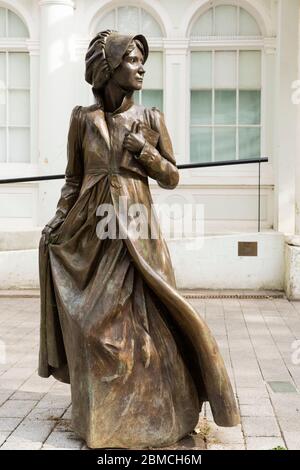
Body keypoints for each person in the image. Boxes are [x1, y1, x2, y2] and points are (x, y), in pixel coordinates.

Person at [38, 30, 239, 449]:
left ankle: (165, 412)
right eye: (132, 59)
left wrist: (143, 152)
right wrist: (59, 219)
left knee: (152, 329)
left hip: (137, 229)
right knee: (97, 329)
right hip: (91, 235)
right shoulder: (83, 120)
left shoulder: (150, 119)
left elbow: (171, 176)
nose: (141, 67)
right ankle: (103, 418)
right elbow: (73, 180)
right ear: (110, 68)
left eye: (142, 60)